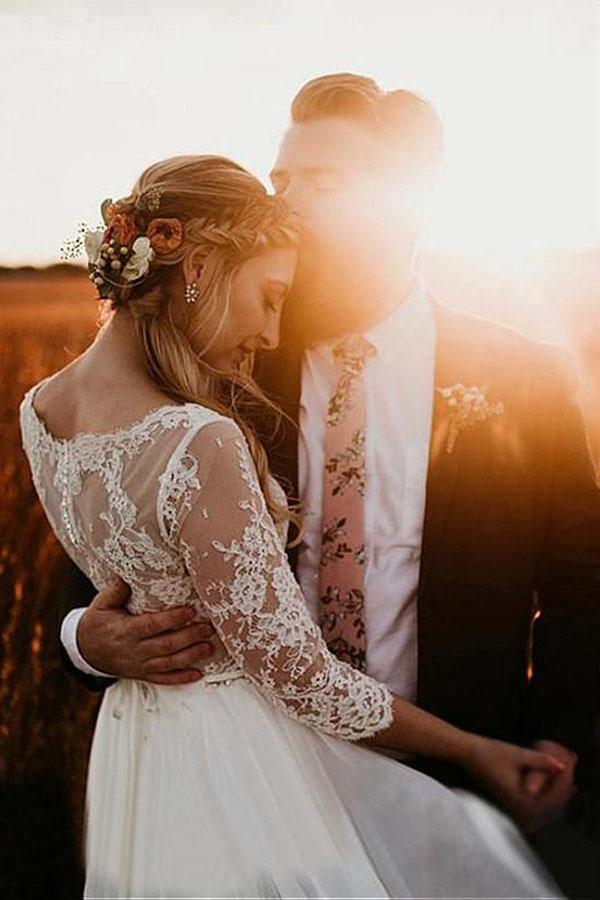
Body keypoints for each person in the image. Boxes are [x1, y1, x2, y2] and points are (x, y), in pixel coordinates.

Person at [61, 75, 600, 844]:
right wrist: (84, 640)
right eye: (280, 181)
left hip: (458, 786)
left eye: (320, 181)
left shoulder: (525, 377)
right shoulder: (217, 369)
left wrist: (557, 743)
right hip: (262, 789)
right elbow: (99, 549)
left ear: (405, 203)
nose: (284, 205)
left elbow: (582, 585)